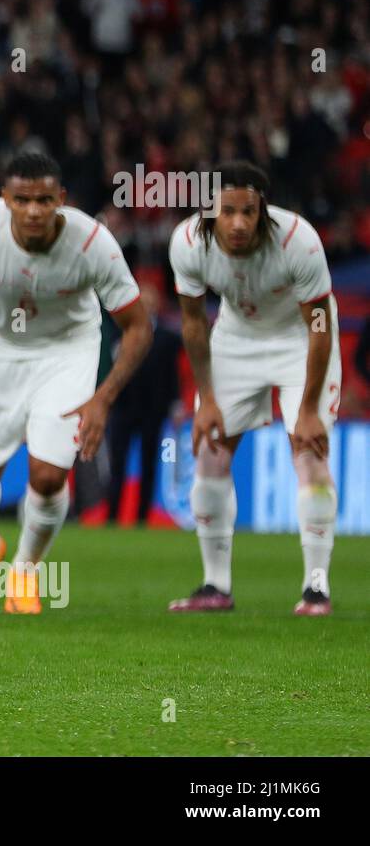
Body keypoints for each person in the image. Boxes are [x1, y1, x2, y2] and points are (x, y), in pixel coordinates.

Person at [0, 152, 151, 613]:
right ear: (5, 199)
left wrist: (102, 398)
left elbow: (139, 327)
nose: (33, 210)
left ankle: (26, 571)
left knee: (48, 476)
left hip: (67, 353)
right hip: (0, 350)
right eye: (23, 199)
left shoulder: (93, 243)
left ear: (60, 200)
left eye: (44, 199)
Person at [168, 162, 340, 616]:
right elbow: (192, 321)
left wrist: (307, 409)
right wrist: (204, 399)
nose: (239, 223)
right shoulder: (188, 243)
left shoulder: (298, 240)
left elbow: (320, 325)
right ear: (211, 211)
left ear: (263, 209)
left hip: (300, 339)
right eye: (228, 212)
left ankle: (315, 587)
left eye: (248, 211)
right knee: (208, 452)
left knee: (309, 452)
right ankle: (214, 585)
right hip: (236, 337)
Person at [105, 281, 181, 524]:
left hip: (153, 410)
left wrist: (175, 402)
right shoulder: (118, 333)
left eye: (151, 302)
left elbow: (173, 374)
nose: (147, 307)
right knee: (117, 463)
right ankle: (112, 516)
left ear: (158, 305)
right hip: (123, 408)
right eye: (143, 302)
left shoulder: (168, 338)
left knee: (149, 465)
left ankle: (142, 517)